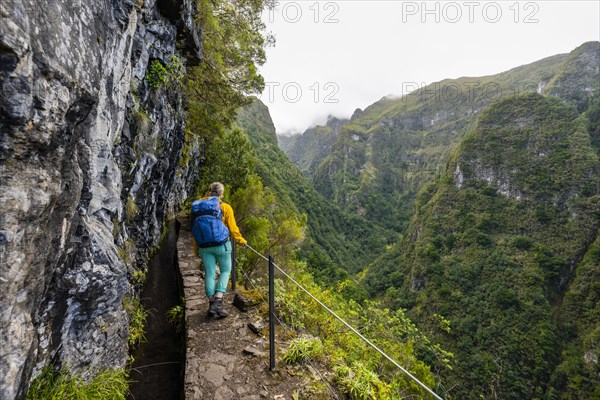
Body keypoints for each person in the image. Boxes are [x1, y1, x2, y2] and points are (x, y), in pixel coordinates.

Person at [193, 182, 247, 318]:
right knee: (225, 271)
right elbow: (233, 229)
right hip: (222, 245)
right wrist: (241, 241)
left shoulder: (197, 207)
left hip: (204, 247)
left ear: (209, 191)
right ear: (221, 194)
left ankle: (212, 304)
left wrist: (196, 250)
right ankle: (218, 301)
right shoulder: (225, 207)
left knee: (210, 273)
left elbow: (195, 231)